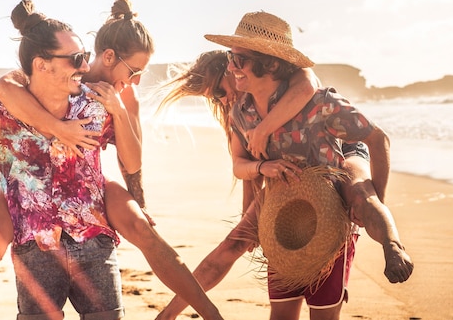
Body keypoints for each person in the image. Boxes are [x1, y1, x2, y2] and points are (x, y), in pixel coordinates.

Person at [0, 0, 224, 320]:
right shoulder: (27, 92)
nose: (84, 66)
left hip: (87, 189)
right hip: (29, 190)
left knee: (145, 233)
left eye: (83, 58)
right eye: (135, 71)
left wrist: (138, 200)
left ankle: (209, 313)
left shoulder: (112, 97)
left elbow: (132, 160)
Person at [153, 46, 412, 319]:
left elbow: (310, 85)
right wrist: (249, 213)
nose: (224, 99)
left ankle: (391, 243)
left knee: (358, 189)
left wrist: (374, 202)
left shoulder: (301, 90)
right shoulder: (240, 114)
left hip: (338, 151)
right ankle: (168, 314)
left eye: (219, 92)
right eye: (216, 99)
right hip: (288, 174)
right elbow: (247, 170)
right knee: (233, 244)